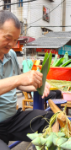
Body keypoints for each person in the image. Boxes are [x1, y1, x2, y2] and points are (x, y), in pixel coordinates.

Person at [0, 10, 54, 150]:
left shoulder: (10, 54)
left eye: (15, 40)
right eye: (8, 38)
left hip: (12, 119)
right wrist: (20, 78)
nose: (12, 44)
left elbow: (18, 85)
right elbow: (17, 81)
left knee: (51, 119)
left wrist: (37, 85)